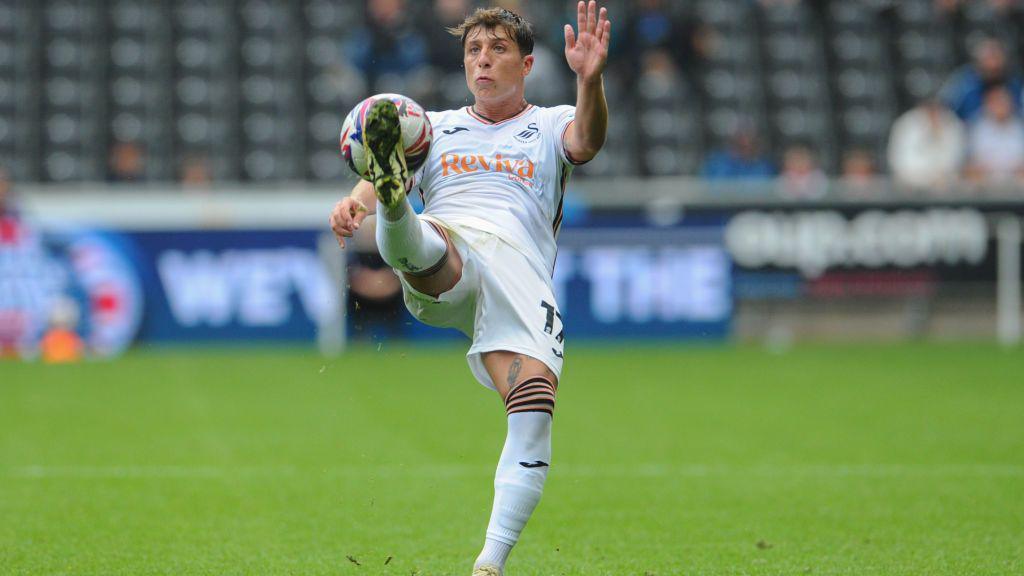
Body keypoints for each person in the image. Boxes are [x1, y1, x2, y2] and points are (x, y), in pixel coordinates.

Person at [329, 4, 611, 575]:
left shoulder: (554, 121)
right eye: (473, 52)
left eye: (498, 50)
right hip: (451, 247)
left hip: (519, 273)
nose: (482, 61)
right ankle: (392, 202)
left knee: (534, 403)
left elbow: (587, 141)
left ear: (527, 63)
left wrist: (591, 78)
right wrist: (355, 203)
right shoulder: (432, 127)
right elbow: (386, 158)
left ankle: (489, 564)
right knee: (433, 244)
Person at [887, 97, 966, 190]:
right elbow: (899, 164)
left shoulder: (952, 124)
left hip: (945, 190)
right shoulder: (906, 124)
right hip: (910, 190)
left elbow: (955, 163)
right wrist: (927, 179)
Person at [965, 85, 1024, 183]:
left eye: (1003, 101)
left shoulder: (1020, 127)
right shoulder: (977, 129)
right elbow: (970, 164)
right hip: (984, 186)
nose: (1000, 106)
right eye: (995, 102)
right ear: (987, 104)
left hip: (1017, 186)